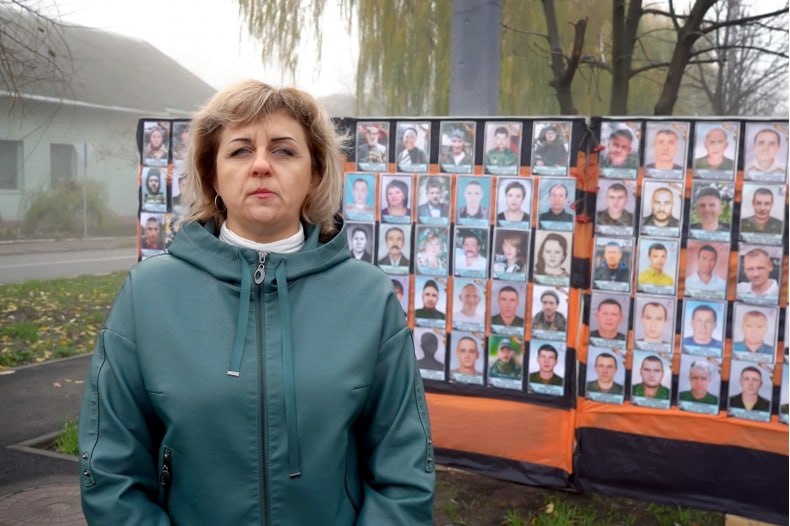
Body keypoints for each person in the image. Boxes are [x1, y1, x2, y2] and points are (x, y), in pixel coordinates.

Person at [79, 80, 434, 524]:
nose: (262, 165)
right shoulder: (149, 294)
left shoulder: (368, 296)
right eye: (240, 150)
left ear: (315, 173)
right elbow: (111, 468)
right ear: (212, 174)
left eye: (284, 150)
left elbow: (404, 465)